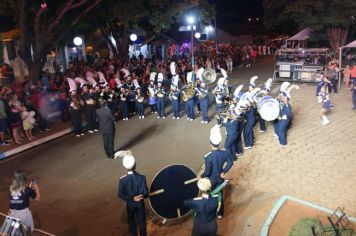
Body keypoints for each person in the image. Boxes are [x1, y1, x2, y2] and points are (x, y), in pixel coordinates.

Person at [201, 125, 233, 219]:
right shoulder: (225, 152)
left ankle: (211, 211)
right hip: (220, 179)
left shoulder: (208, 157)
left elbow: (207, 172)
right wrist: (224, 171)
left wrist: (202, 176)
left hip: (211, 180)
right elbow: (230, 162)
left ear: (210, 143)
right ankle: (220, 213)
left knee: (209, 195)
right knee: (220, 196)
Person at [117, 152, 148, 236]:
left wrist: (132, 198)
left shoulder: (123, 179)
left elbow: (120, 194)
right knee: (142, 222)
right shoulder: (142, 177)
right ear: (135, 164)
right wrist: (140, 197)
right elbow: (145, 193)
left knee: (131, 220)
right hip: (140, 204)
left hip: (130, 204)